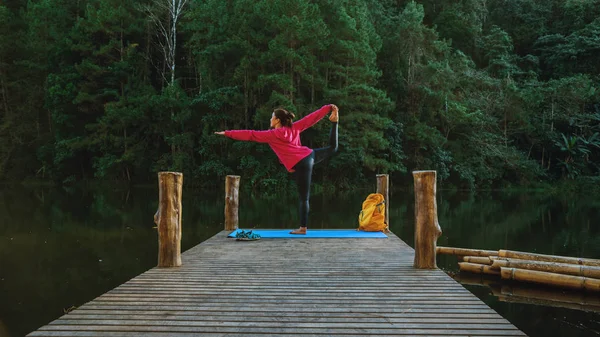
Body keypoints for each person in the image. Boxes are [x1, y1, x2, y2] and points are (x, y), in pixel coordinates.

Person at [215, 104, 339, 234]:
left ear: (277, 120)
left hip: (301, 162)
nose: (270, 119)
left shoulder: (272, 134)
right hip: (309, 155)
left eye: (272, 117)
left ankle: (303, 228)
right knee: (332, 148)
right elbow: (311, 118)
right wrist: (329, 108)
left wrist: (228, 133)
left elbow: (250, 135)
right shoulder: (294, 127)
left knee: (304, 198)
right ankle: (335, 123)